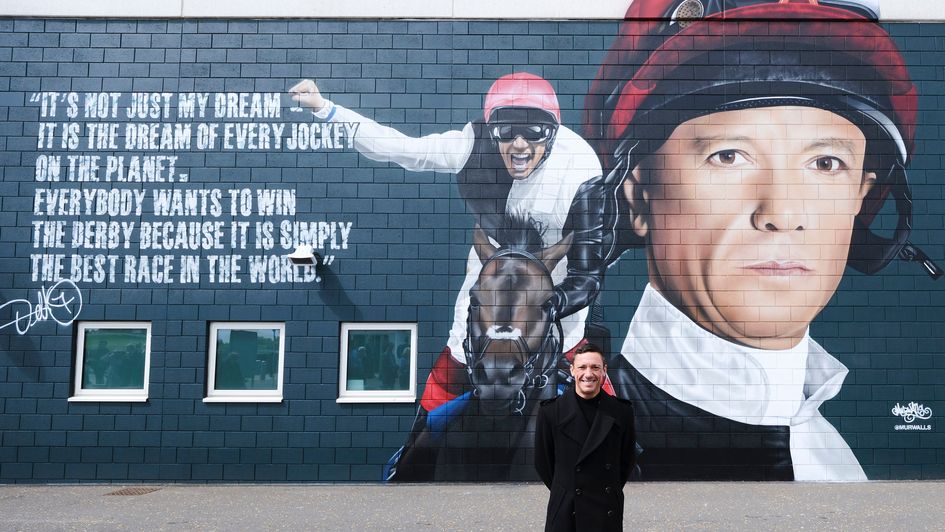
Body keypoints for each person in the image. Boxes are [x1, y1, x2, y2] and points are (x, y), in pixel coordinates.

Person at [584, 0, 942, 481]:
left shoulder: (838, 464)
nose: (781, 213)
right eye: (728, 156)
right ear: (639, 196)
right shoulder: (584, 442)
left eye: (825, 164)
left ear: (863, 196)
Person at [534, 343, 636, 532]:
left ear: (604, 371)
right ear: (572, 370)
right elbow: (543, 463)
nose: (588, 374)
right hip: (566, 511)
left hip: (605, 509)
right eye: (582, 367)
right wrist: (567, 490)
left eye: (595, 367)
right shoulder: (551, 412)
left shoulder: (622, 411)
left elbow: (626, 461)